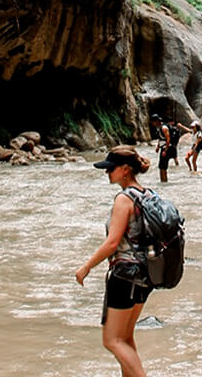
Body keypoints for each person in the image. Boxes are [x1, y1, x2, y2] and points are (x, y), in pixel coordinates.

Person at [75, 146, 152, 377]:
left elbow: (112, 243)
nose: (107, 173)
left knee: (111, 340)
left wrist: (86, 267)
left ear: (126, 170)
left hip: (125, 274)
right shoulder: (147, 194)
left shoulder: (124, 199)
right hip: (147, 274)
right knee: (125, 337)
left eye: (111, 169)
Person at [150, 114, 173, 182]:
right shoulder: (159, 128)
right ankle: (163, 181)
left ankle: (164, 181)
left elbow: (168, 139)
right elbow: (161, 139)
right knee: (161, 167)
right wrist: (158, 146)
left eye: (153, 122)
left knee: (163, 168)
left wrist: (165, 150)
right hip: (163, 148)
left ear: (156, 121)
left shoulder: (164, 128)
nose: (152, 123)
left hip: (166, 149)